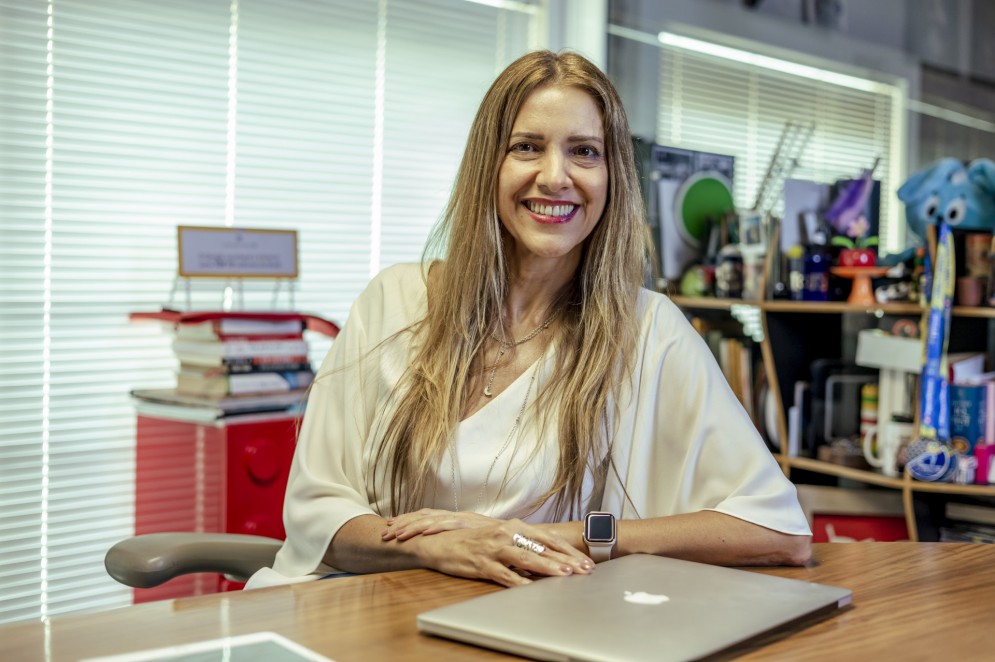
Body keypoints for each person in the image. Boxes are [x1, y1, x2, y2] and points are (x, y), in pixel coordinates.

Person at [247, 50, 811, 590]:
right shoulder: (393, 300)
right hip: (361, 605)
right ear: (488, 165)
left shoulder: (647, 329)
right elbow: (317, 510)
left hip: (524, 617)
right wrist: (434, 547)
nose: (554, 176)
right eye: (527, 146)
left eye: (584, 152)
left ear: (612, 177)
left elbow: (779, 530)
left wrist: (556, 538)